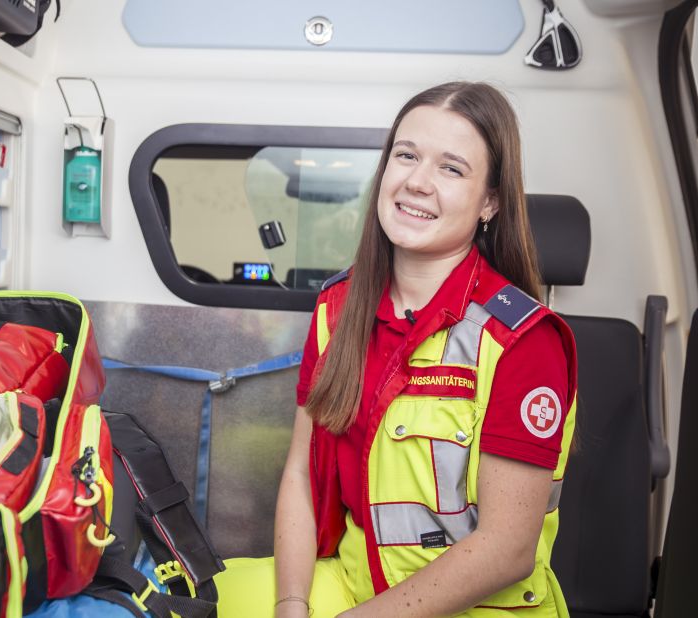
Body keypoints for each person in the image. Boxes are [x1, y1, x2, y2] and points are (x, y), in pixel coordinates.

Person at [214, 81, 577, 617]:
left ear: (490, 202)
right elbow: (299, 475)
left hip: (475, 606)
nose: (417, 182)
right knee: (200, 599)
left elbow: (506, 550)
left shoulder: (523, 342)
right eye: (406, 156)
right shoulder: (337, 309)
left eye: (451, 169)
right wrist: (292, 606)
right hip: (359, 583)